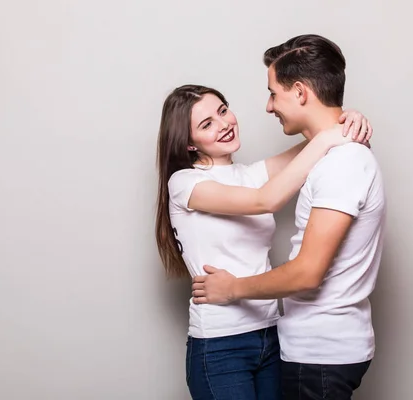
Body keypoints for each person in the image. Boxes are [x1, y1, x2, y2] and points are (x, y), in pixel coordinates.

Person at [191, 34, 386, 400]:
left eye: (273, 92)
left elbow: (308, 272)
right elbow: (274, 187)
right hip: (310, 348)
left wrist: (233, 288)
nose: (268, 107)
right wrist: (341, 126)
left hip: (321, 354)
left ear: (299, 92)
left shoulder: (342, 163)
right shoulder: (332, 156)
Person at [155, 83, 372, 399]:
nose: (224, 124)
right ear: (189, 143)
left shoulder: (251, 173)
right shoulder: (185, 183)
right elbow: (263, 201)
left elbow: (316, 144)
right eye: (207, 124)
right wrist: (328, 136)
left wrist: (346, 121)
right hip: (220, 344)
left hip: (271, 335)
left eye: (223, 110)